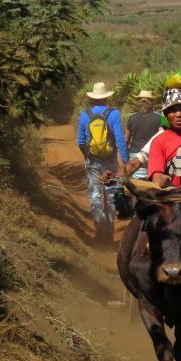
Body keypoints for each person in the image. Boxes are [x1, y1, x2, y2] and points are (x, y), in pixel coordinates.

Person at [76, 81, 129, 242]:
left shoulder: (85, 115)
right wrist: (126, 161)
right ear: (106, 97)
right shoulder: (114, 114)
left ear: (92, 98)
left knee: (95, 196)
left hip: (93, 162)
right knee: (111, 196)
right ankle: (109, 231)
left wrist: (88, 157)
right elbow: (120, 139)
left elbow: (80, 141)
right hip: (111, 162)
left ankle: (100, 229)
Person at [124, 90, 161, 180]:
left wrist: (125, 154)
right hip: (151, 153)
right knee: (150, 181)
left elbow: (126, 139)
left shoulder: (132, 117)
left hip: (135, 155)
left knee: (137, 183)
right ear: (151, 103)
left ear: (139, 103)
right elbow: (160, 136)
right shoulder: (158, 117)